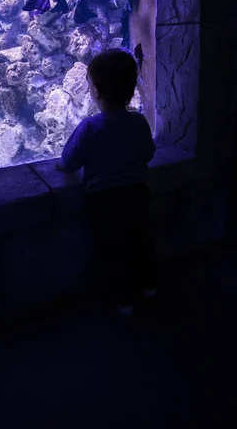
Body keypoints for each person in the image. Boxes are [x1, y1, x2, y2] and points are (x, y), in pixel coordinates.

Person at [57, 48, 157, 316]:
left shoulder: (89, 127)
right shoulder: (138, 121)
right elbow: (147, 153)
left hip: (103, 202)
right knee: (141, 241)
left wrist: (59, 164)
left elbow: (69, 162)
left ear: (96, 90)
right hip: (137, 195)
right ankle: (150, 286)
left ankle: (125, 302)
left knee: (113, 251)